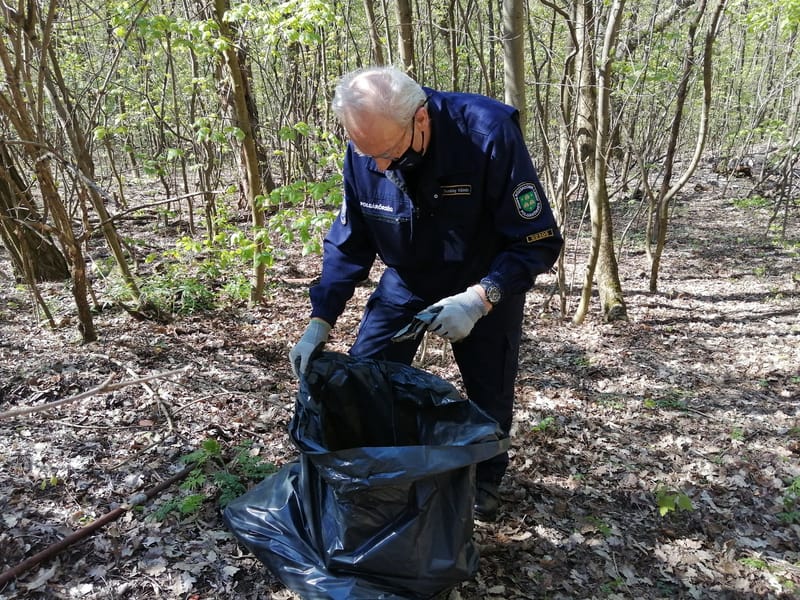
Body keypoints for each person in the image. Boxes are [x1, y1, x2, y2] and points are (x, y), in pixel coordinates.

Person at [289, 66, 563, 521]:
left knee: (489, 390)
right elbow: (349, 243)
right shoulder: (367, 146)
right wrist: (320, 320)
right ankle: (376, 473)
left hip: (482, 278)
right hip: (408, 277)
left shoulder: (487, 133)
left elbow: (537, 241)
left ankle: (484, 480)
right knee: (366, 376)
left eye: (387, 153)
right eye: (367, 153)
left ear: (420, 119)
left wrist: (481, 298)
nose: (378, 166)